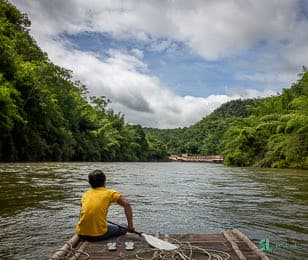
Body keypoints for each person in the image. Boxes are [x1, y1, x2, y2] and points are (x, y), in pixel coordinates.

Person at [76, 169, 134, 241]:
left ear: (90, 183)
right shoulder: (109, 193)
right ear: (104, 182)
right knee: (123, 227)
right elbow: (127, 205)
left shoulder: (86, 194)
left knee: (108, 225)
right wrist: (130, 226)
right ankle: (123, 228)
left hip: (81, 233)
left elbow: (83, 208)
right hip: (98, 235)